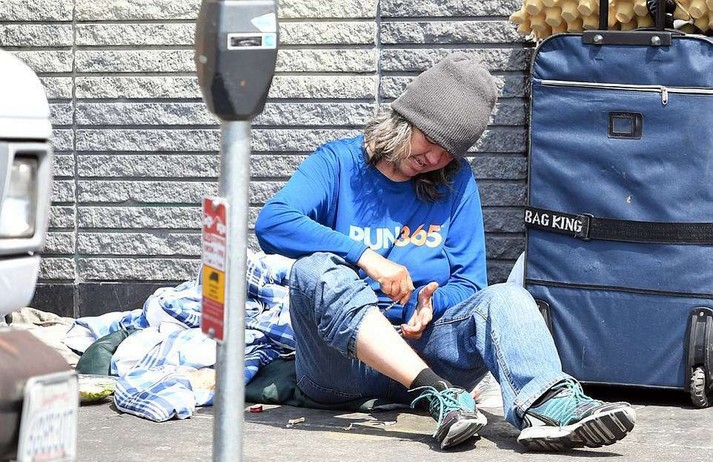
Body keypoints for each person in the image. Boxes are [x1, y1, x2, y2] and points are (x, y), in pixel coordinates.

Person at [255, 53, 636, 451]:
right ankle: (435, 392)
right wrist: (367, 257)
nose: (435, 159)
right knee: (314, 269)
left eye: (450, 152)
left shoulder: (456, 180)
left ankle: (549, 406)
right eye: (432, 141)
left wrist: (429, 305)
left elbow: (470, 283)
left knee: (506, 297)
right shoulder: (338, 163)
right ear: (407, 119)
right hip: (341, 368)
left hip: (430, 353)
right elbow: (273, 222)